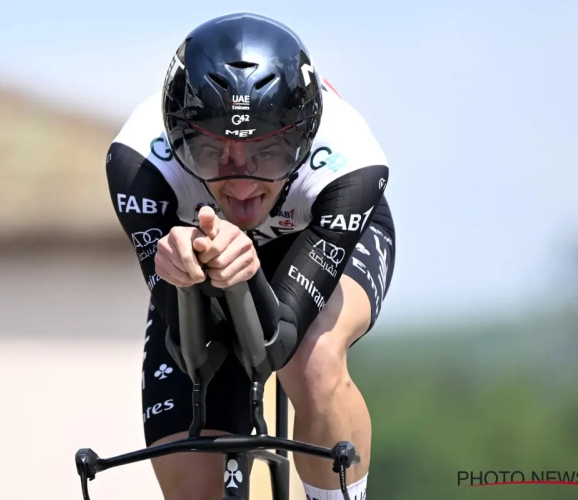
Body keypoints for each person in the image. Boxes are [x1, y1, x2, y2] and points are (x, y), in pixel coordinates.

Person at [105, 12, 395, 500]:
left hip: (311, 231)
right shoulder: (138, 163)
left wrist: (251, 267)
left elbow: (276, 343)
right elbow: (194, 344)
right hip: (205, 251)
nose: (241, 183)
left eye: (269, 151)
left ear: (304, 137)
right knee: (191, 478)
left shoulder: (351, 161)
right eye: (211, 151)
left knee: (313, 360)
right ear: (177, 137)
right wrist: (183, 271)